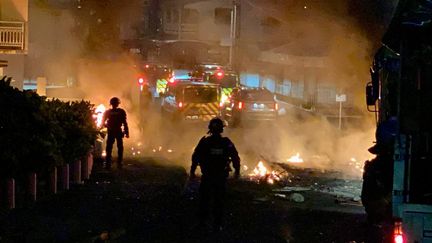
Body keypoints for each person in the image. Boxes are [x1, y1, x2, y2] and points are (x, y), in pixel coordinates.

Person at [190, 117, 240, 231]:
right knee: (219, 201)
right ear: (222, 129)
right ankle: (217, 224)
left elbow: (195, 157)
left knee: (204, 200)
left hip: (207, 176)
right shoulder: (226, 143)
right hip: (220, 177)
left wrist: (192, 172)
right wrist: (236, 171)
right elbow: (235, 158)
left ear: (210, 129)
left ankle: (202, 223)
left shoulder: (205, 142)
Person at [102, 97, 129, 170]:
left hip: (111, 131)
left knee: (109, 148)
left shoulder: (108, 112)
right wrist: (126, 132)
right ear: (118, 104)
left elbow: (103, 123)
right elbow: (125, 123)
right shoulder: (121, 111)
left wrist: (108, 126)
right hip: (118, 131)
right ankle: (119, 163)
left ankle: (108, 164)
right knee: (120, 147)